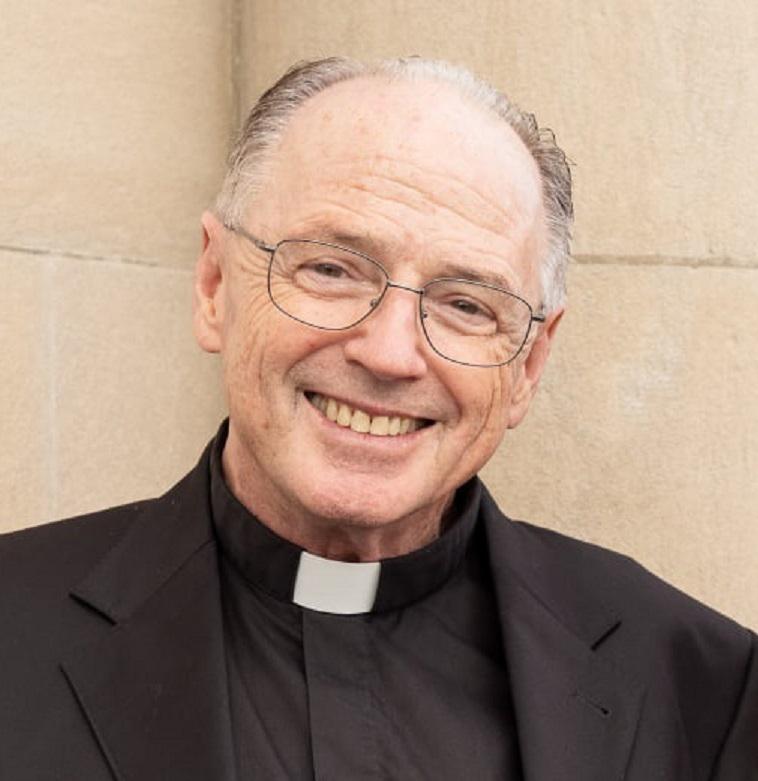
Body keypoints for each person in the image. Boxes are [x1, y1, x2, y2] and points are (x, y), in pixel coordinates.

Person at [1, 56, 756, 781]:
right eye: (330, 268)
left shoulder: (703, 689)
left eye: (467, 304)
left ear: (528, 365)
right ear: (213, 284)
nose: (391, 354)